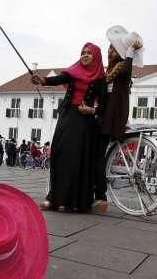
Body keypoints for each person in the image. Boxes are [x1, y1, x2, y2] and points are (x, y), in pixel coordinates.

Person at [32, 42, 107, 212]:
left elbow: (104, 104)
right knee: (58, 153)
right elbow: (58, 79)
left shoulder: (101, 78)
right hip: (67, 115)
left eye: (89, 53)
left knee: (77, 159)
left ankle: (76, 201)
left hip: (85, 121)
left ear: (96, 57)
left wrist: (92, 110)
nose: (85, 55)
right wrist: (42, 80)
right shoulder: (74, 72)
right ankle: (53, 198)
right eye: (83, 52)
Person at [92, 26, 144, 211]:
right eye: (109, 47)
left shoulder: (121, 67)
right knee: (99, 155)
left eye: (113, 48)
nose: (109, 50)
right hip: (107, 115)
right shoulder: (110, 71)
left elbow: (127, 67)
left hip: (111, 118)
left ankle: (100, 196)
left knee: (98, 156)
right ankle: (98, 192)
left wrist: (130, 50)